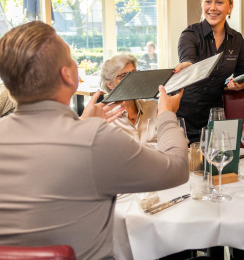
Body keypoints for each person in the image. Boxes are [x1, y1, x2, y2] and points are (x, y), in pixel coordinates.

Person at [0, 21, 188, 260]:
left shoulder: (88, 133)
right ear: (67, 75)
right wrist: (167, 114)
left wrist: (83, 125)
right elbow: (178, 169)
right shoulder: (95, 139)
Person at [175, 0, 244, 143]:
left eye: (219, 2)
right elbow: (188, 61)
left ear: (230, 7)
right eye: (208, 1)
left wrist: (241, 84)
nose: (213, 8)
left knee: (218, 164)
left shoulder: (236, 39)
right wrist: (187, 67)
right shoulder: (189, 34)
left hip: (215, 115)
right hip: (185, 116)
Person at [100, 53, 157, 143]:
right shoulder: (104, 117)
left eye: (134, 74)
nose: (132, 80)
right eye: (123, 76)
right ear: (110, 84)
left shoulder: (152, 107)